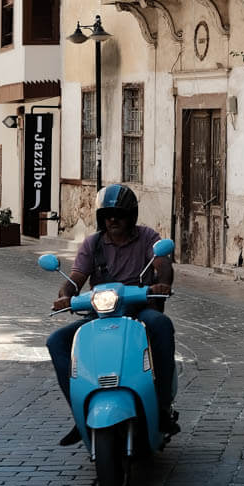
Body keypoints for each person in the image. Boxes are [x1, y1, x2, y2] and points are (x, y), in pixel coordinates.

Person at [46, 183, 178, 447]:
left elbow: (162, 265)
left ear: (132, 216)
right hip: (101, 314)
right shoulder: (92, 244)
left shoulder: (147, 238)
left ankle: (162, 406)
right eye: (107, 215)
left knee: (161, 324)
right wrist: (65, 295)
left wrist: (162, 283)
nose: (113, 220)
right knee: (57, 341)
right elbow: (76, 278)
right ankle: (79, 412)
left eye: (119, 214)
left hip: (139, 311)